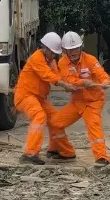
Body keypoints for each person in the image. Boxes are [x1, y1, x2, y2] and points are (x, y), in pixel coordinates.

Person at [13, 32, 78, 165]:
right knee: (39, 116)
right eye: (52, 52)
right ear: (45, 48)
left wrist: (70, 83)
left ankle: (61, 150)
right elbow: (46, 75)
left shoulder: (51, 61)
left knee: (56, 119)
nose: (54, 55)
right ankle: (29, 153)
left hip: (40, 98)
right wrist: (62, 84)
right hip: (25, 96)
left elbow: (56, 75)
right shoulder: (36, 58)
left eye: (55, 53)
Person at [50, 31, 110, 168]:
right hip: (77, 103)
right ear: (65, 50)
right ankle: (67, 152)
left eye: (76, 48)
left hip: (93, 101)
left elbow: (101, 74)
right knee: (55, 124)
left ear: (81, 47)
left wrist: (105, 82)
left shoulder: (90, 60)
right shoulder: (63, 62)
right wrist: (83, 82)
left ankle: (102, 157)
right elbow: (68, 79)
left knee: (94, 126)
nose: (74, 52)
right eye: (70, 50)